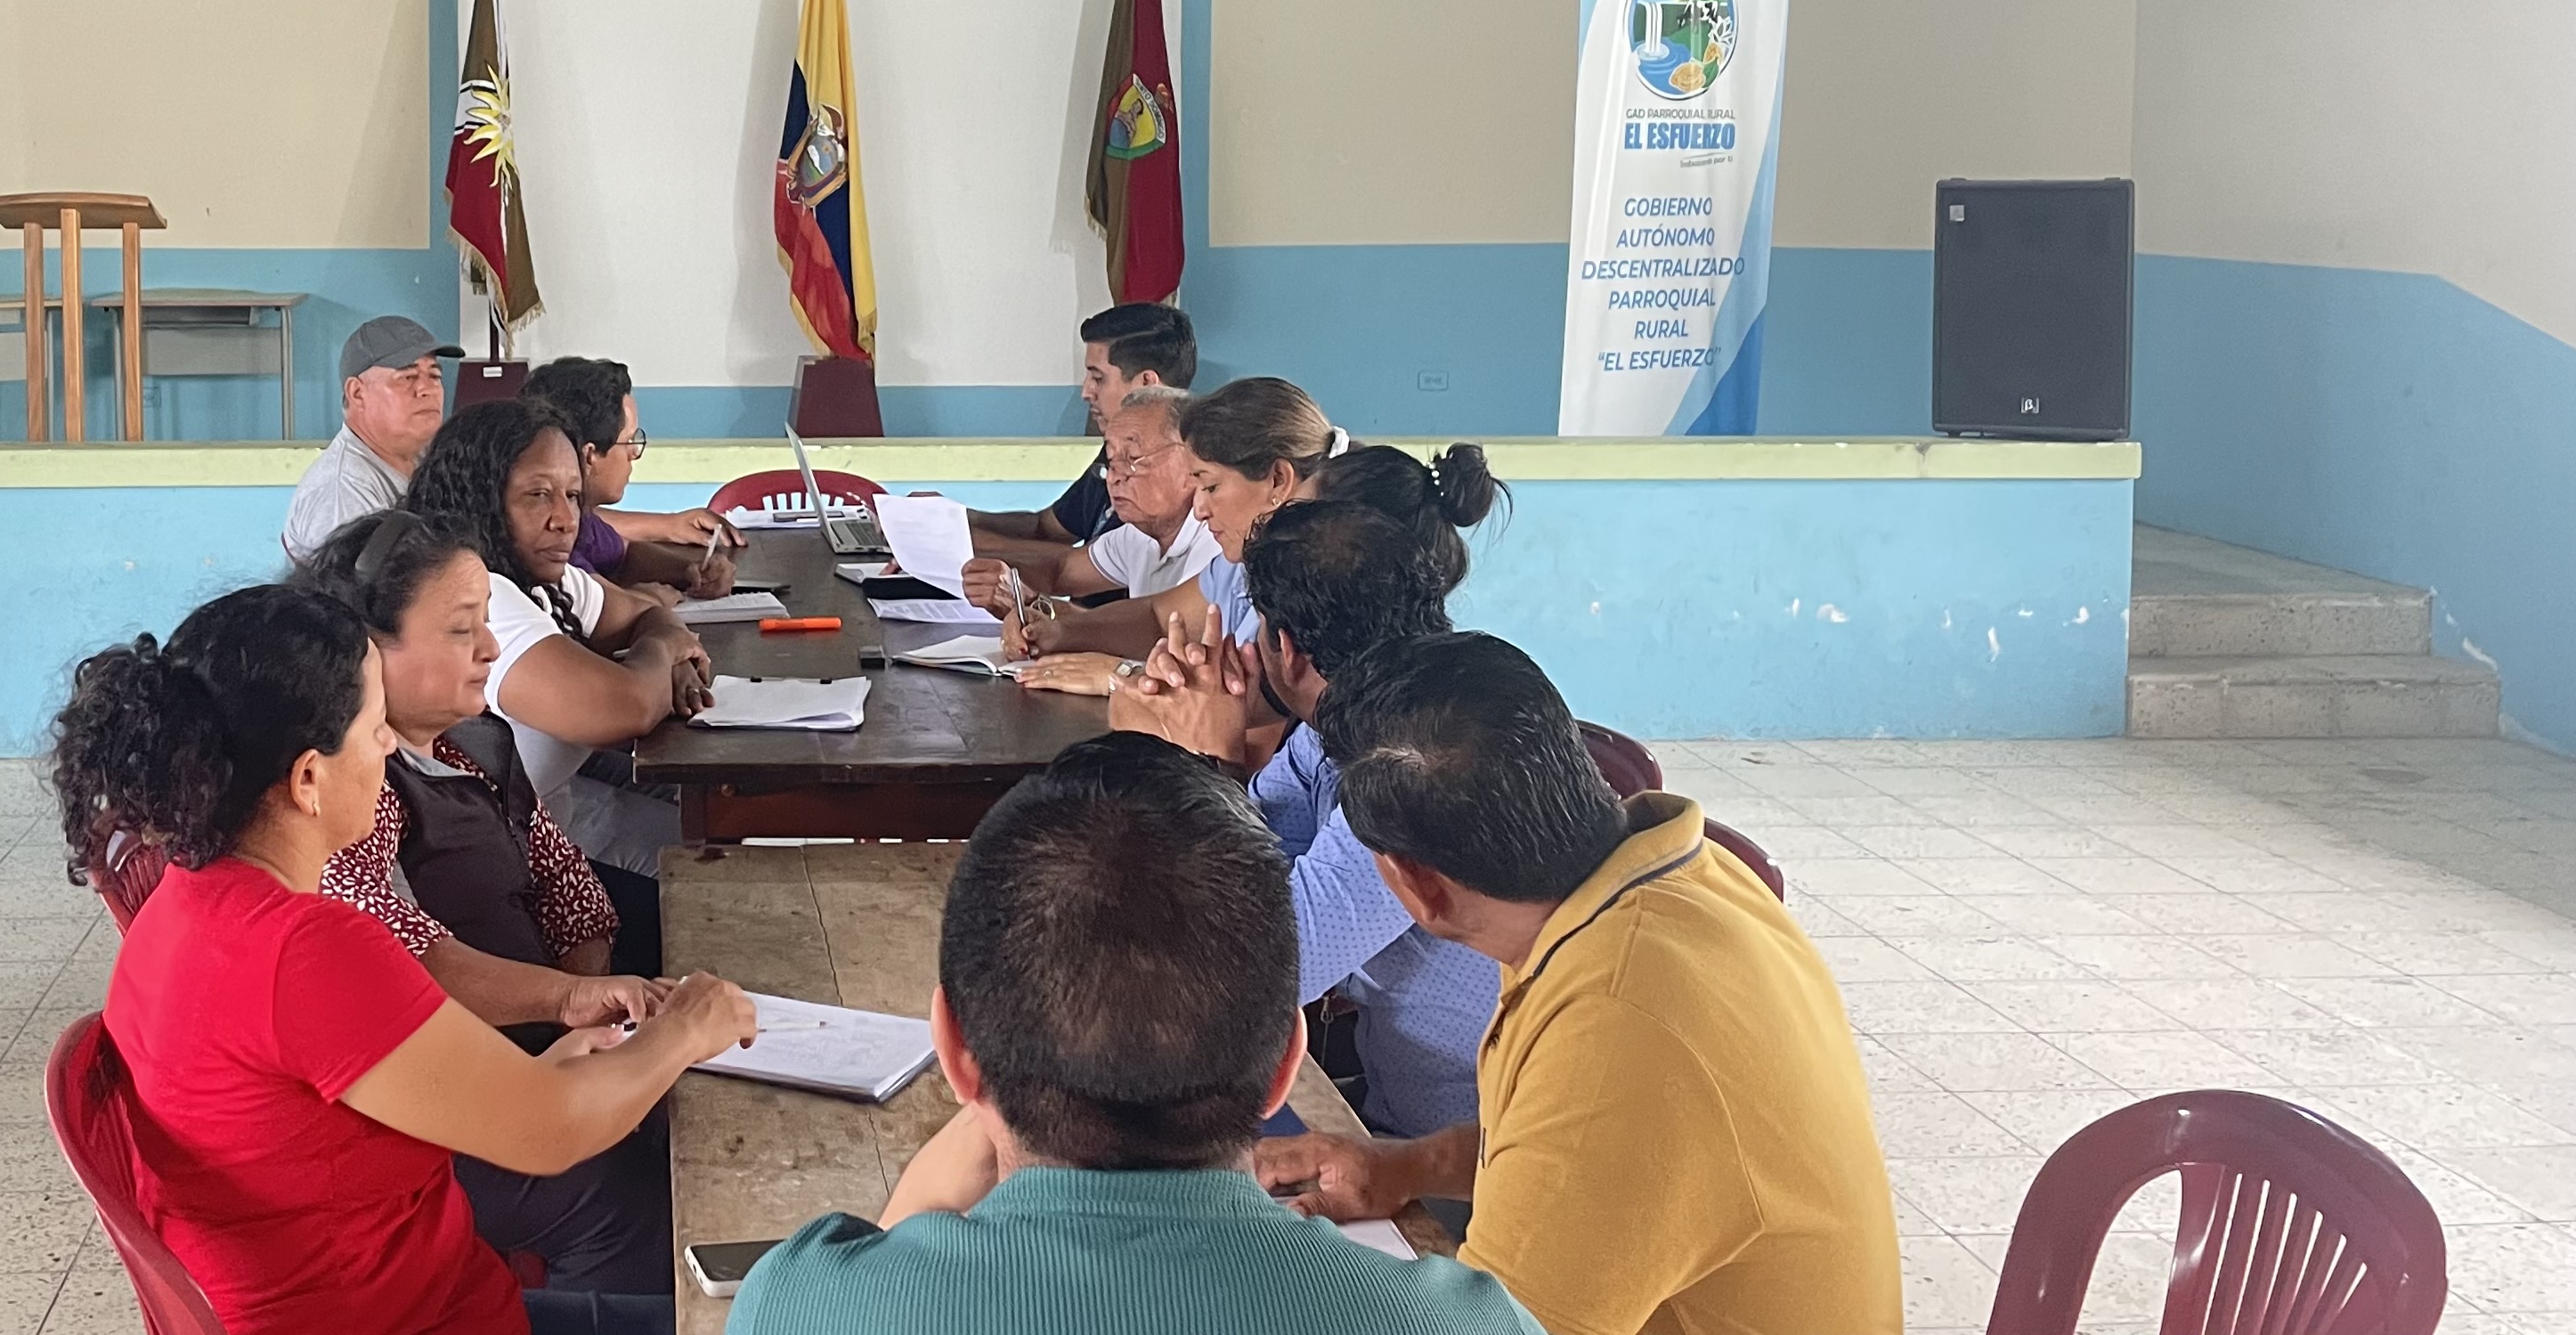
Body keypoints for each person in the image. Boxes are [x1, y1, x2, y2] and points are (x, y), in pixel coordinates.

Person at [47, 584, 758, 1335]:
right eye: (375, 726)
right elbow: (552, 1133)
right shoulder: (305, 950)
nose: (390, 748)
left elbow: (344, 1110)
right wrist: (685, 1030)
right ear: (309, 779)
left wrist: (548, 1069)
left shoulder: (180, 905)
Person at [727, 734, 1540, 1335]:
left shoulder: (800, 1304)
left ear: (957, 1057)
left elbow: (866, 1283)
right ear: (1284, 1063)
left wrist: (942, 1169)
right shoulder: (1473, 1325)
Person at [1257, 633, 1902, 1335]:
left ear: (1417, 888)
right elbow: (1568, 1147)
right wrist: (1401, 1168)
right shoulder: (1665, 880)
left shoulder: (1616, 1025)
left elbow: (1499, 1324)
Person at [297, 509, 682, 1296]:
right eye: (459, 631)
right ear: (368, 650)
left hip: (531, 1050)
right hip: (442, 1098)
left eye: (487, 624)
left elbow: (569, 888)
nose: (491, 650)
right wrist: (566, 1009)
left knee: (668, 1115)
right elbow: (406, 961)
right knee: (628, 1203)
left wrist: (585, 1019)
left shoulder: (472, 743)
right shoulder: (352, 791)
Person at [1103, 456, 1509, 1142]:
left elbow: (1239, 979)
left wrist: (1201, 762)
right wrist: (1188, 749)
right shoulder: (1337, 730)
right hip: (1395, 1117)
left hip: (1470, 1161)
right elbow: (1252, 872)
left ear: (1285, 649)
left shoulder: (1415, 768)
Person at [403, 398, 711, 930]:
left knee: (714, 854)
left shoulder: (546, 580)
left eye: (573, 495)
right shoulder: (480, 596)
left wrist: (665, 639)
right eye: (537, 495)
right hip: (490, 879)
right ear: (481, 498)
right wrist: (666, 652)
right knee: (707, 895)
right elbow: (628, 706)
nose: (565, 520)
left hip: (552, 830)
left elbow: (645, 613)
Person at [1001, 374, 1342, 670]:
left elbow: (1255, 705)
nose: (1200, 508)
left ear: (1278, 481)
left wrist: (1121, 677)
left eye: (1210, 486)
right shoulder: (1240, 562)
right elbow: (1159, 617)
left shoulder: (1320, 578)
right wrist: (1061, 632)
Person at [959, 386, 1215, 625]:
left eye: (1132, 458)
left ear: (1192, 462)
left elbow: (1152, 629)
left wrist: (1030, 604)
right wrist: (973, 561)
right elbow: (1061, 570)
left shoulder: (1215, 539)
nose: (1114, 477)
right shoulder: (1140, 536)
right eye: (1111, 460)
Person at [965, 302, 1196, 558]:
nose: (1086, 392)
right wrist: (958, 517)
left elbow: (1089, 566)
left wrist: (961, 539)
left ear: (1147, 383)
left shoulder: (1170, 475)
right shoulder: (1111, 452)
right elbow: (1049, 529)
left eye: (1098, 379)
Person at [518, 355, 744, 598]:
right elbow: (600, 608)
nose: (634, 452)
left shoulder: (581, 517)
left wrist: (691, 571)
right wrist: (647, 600)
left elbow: (622, 556)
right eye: (628, 440)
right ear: (589, 455)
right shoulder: (543, 527)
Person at [281, 315, 460, 564]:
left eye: (434, 376)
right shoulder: (342, 490)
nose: (426, 389)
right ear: (357, 393)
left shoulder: (429, 456)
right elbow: (366, 587)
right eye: (408, 377)